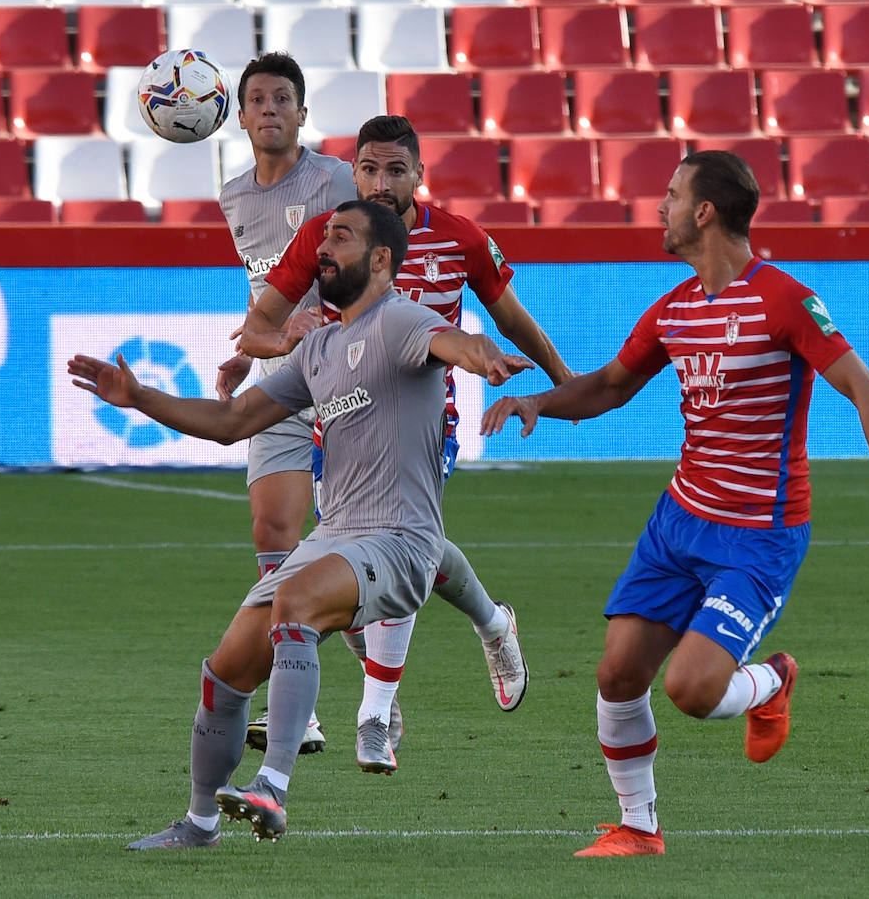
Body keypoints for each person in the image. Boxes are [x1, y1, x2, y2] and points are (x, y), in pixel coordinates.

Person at [481, 150, 869, 857]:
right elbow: (611, 384)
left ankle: (770, 681)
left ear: (703, 211)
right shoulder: (674, 308)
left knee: (694, 688)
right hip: (679, 521)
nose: (660, 207)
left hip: (757, 534)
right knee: (617, 672)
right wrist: (536, 402)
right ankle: (639, 825)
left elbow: (867, 388)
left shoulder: (784, 299)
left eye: (671, 195)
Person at [69, 200, 534, 848]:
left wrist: (481, 354)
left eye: (339, 237)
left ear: (379, 260)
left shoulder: (400, 319)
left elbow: (448, 340)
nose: (324, 247)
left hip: (400, 540)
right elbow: (233, 422)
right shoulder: (318, 346)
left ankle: (273, 786)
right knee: (227, 668)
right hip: (336, 534)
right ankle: (201, 823)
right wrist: (140, 396)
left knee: (296, 599)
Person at [240, 114, 573, 764]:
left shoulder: (460, 239)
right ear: (353, 171)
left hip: (427, 422)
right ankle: (492, 621)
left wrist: (567, 385)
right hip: (341, 420)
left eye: (396, 169)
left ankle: (374, 710)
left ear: (420, 176)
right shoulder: (327, 235)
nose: (381, 181)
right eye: (369, 167)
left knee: (392, 535)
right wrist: (280, 338)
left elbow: (510, 317)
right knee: (379, 552)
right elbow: (256, 329)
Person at [214, 51, 356, 753]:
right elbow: (262, 287)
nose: (269, 109)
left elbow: (366, 263)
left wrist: (325, 317)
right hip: (282, 380)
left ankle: (380, 688)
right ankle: (299, 701)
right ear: (239, 116)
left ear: (302, 113)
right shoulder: (234, 195)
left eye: (282, 99)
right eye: (257, 100)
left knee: (357, 545)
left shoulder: (333, 179)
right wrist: (250, 348)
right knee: (273, 530)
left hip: (345, 376)